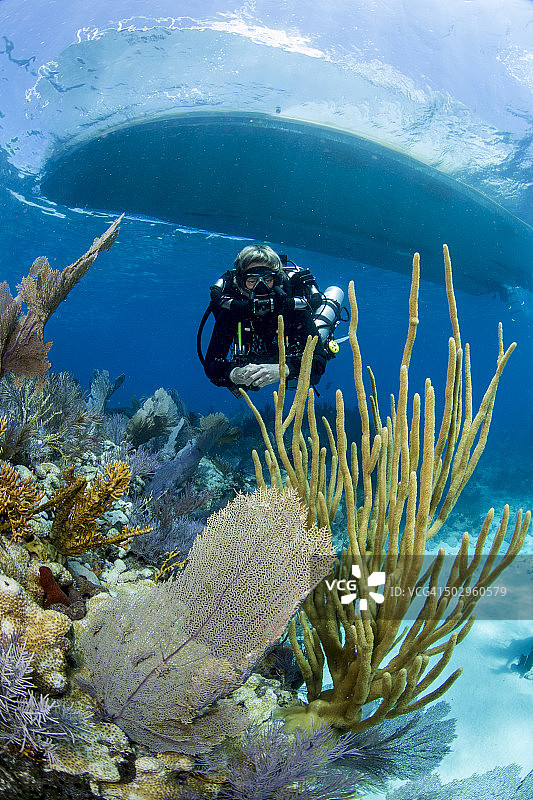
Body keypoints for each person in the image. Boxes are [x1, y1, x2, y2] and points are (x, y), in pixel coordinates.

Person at [199, 245, 333, 396]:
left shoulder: (291, 307)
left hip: (289, 356)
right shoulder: (232, 311)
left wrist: (283, 370)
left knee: (317, 352)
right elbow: (211, 365)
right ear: (240, 282)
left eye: (267, 280)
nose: (260, 287)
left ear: (277, 280)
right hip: (250, 356)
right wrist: (235, 373)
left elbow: (318, 362)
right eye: (252, 281)